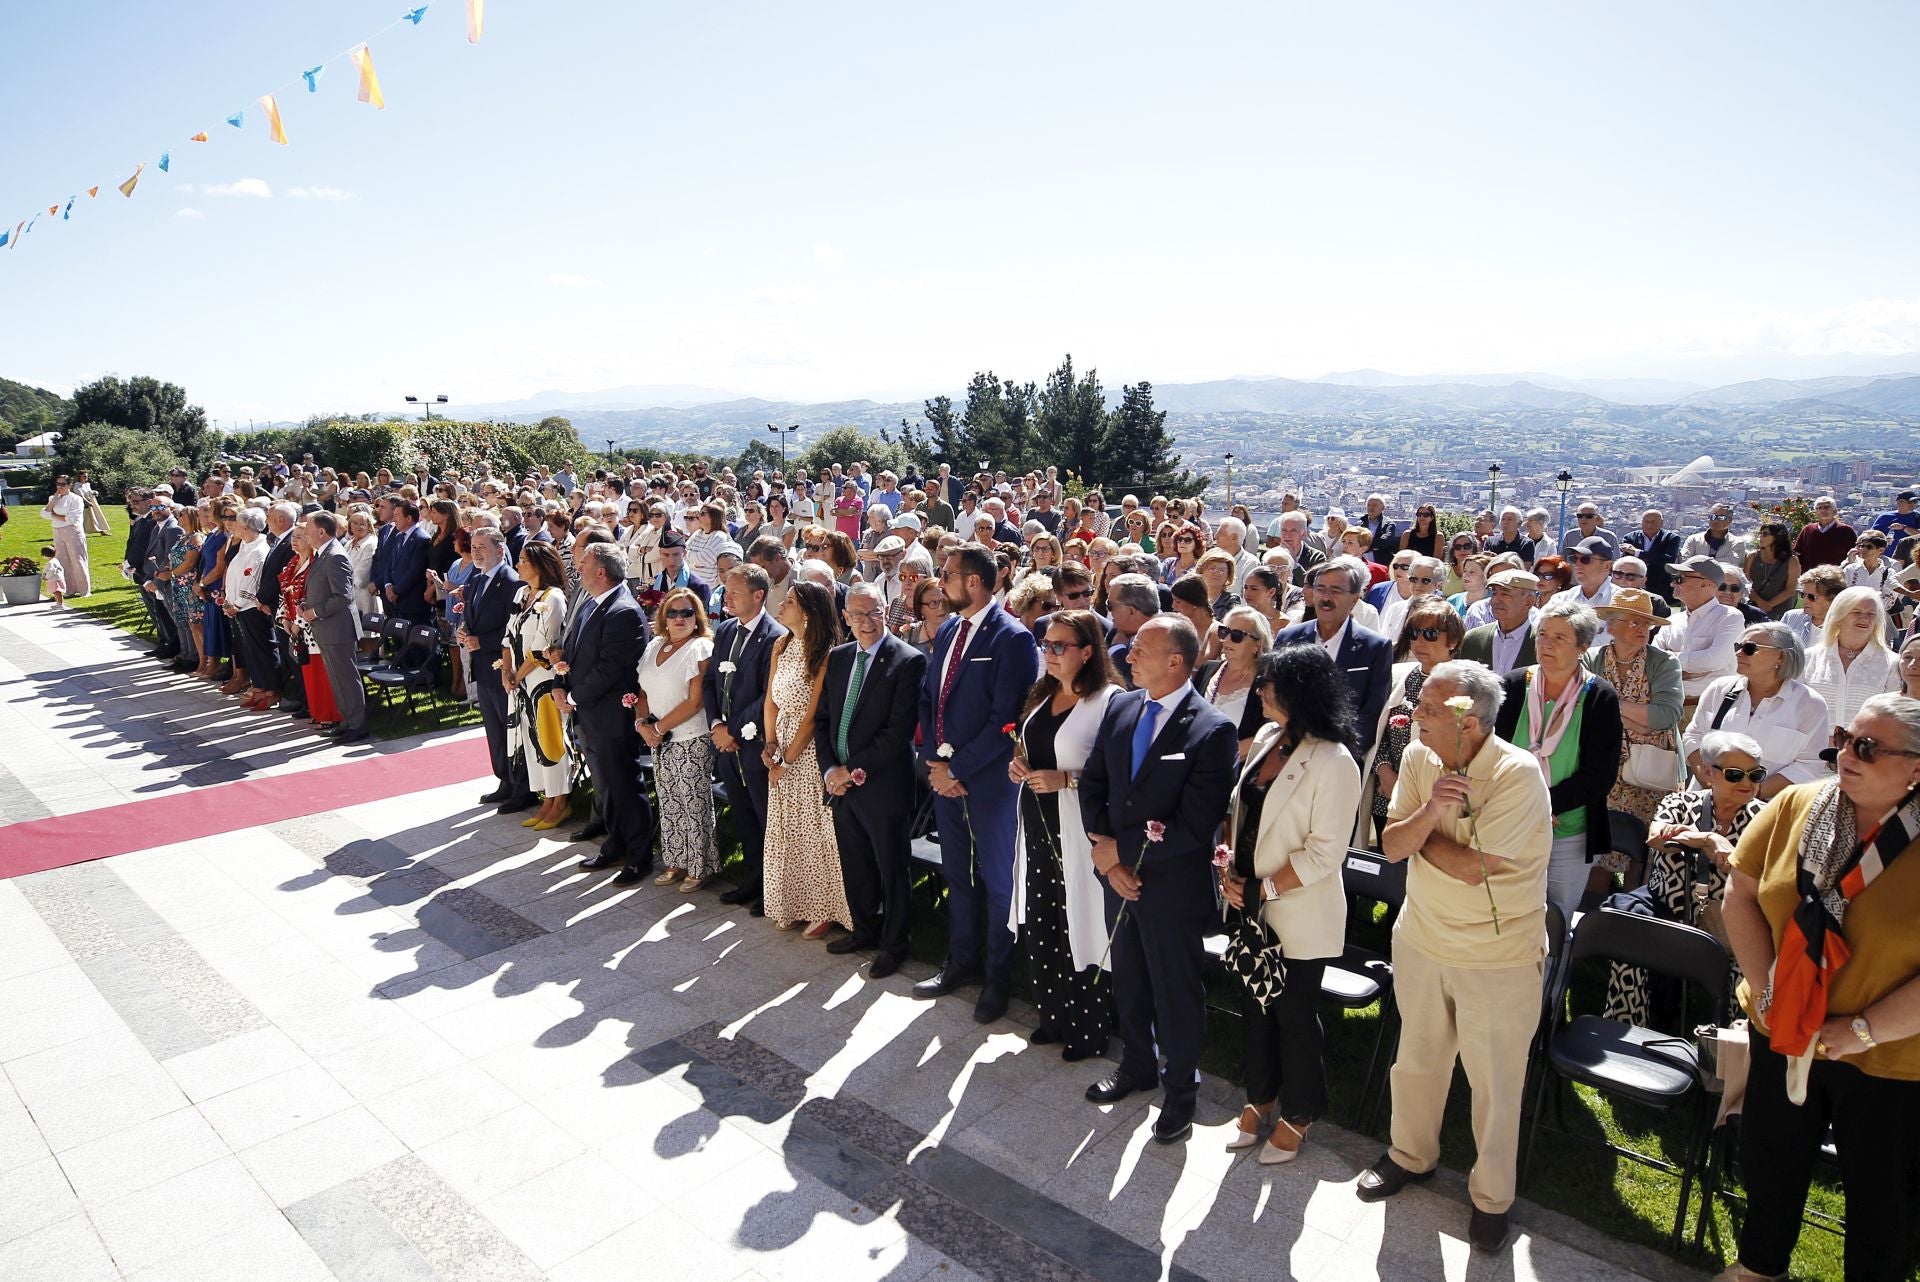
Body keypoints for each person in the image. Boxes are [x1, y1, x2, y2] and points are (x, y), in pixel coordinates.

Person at [1716, 693, 1920, 1282]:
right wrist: (1769, 993)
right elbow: (1742, 895)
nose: (1844, 754)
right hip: (1783, 1031)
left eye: (1868, 747)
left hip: (1890, 1060)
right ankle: (1758, 1269)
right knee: (1770, 1163)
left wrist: (1860, 1031)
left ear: (1916, 770)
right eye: (1844, 737)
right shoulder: (1799, 804)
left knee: (1885, 1205)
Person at [1359, 661, 1553, 1254]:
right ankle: (1409, 1155)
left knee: (1495, 1084)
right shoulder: (1420, 757)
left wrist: (1421, 839)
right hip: (1421, 938)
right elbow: (1392, 845)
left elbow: (1474, 870)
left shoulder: (1519, 776)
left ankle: (1492, 1199)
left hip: (1496, 958)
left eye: (1430, 708)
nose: (1414, 713)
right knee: (1415, 1059)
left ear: (1468, 722)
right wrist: (1426, 814)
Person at [1079, 615, 1239, 1144]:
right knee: (1127, 974)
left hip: (1169, 886)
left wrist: (1120, 854)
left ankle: (1180, 1095)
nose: (1128, 656)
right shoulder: (1124, 705)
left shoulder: (1210, 729)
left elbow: (1196, 824)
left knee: (1175, 991)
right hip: (1116, 875)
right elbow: (1096, 782)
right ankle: (1136, 1066)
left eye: (1141, 649)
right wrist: (1106, 857)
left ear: (1176, 661)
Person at [1219, 645, 1362, 1164]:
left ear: (1300, 692)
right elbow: (1241, 809)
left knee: (1294, 1015)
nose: (1258, 691)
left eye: (1269, 684)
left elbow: (1325, 854)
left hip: (1298, 913)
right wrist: (1228, 868)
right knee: (1255, 1007)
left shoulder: (1335, 760)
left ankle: (1300, 1112)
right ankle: (1260, 1098)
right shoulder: (1265, 737)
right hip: (1249, 905)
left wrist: (1262, 890)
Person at [916, 543, 1043, 1024]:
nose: (940, 583)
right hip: (944, 777)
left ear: (973, 581)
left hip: (988, 785)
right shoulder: (949, 629)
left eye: (947, 575)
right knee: (958, 874)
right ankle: (960, 962)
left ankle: (997, 978)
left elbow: (1006, 720)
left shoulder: (1012, 638)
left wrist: (958, 769)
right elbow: (931, 697)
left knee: (996, 882)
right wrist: (935, 763)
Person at [1005, 610, 1122, 1060]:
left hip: (1078, 830)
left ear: (1087, 652)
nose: (1049, 654)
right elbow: (1030, 746)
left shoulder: (1108, 701)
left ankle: (1089, 1028)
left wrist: (1066, 780)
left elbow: (1115, 769)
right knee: (1044, 921)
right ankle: (1051, 1016)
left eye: (1060, 646)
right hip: (1038, 823)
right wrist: (1020, 764)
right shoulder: (1044, 694)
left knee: (1082, 925)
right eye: (1046, 645)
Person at [1601, 729, 1767, 1027]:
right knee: (1630, 938)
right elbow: (1656, 838)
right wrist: (1709, 839)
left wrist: (1686, 837)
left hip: (1729, 918)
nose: (1746, 783)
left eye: (1755, 775)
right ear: (1708, 772)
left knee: (1751, 963)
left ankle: (1730, 1049)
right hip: (1667, 907)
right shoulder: (1680, 803)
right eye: (1734, 774)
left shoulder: (1766, 818)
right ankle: (1625, 1030)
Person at [816, 582, 928, 975]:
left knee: (891, 867)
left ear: (886, 610)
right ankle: (865, 928)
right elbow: (825, 720)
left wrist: (851, 770)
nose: (867, 621)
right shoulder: (840, 656)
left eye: (874, 611)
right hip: (841, 785)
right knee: (856, 862)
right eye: (859, 614)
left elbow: (897, 734)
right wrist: (831, 770)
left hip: (882, 785)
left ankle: (895, 944)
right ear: (845, 617)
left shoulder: (907, 661)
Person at [1492, 600, 1622, 917]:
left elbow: (1599, 776)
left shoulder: (1599, 697)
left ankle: (1551, 970)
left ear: (1584, 646)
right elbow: (1491, 753)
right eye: (1542, 635)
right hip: (1510, 821)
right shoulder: (1513, 685)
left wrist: (1544, 806)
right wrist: (1525, 808)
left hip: (1567, 831)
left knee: (1556, 919)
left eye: (1559, 638)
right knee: (1502, 911)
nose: (1546, 644)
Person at [760, 580, 853, 939]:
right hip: (781, 739)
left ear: (809, 613)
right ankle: (794, 900)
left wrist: (787, 761)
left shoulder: (827, 653)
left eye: (789, 601)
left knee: (814, 828)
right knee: (787, 828)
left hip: (809, 749)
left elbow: (814, 716)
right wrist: (770, 745)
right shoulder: (781, 645)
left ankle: (825, 906)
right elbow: (770, 699)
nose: (780, 606)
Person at [557, 542, 652, 884]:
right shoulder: (592, 605)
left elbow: (610, 669)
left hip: (611, 717)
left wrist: (573, 697)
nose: (577, 568)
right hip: (589, 713)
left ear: (601, 572)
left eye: (583, 563)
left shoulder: (623, 611)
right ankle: (616, 843)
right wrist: (559, 682)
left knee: (624, 785)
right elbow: (571, 651)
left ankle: (640, 856)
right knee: (605, 786)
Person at [706, 563, 787, 913]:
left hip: (754, 744)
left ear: (758, 595)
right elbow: (711, 681)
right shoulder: (724, 630)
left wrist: (733, 730)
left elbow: (769, 695)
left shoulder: (776, 637)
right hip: (726, 743)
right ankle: (752, 879)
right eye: (725, 591)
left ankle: (774, 888)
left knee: (765, 817)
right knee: (742, 814)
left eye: (734, 592)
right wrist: (715, 726)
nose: (727, 598)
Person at [1681, 623, 1830, 797]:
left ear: (1780, 657)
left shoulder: (1810, 704)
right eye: (1738, 646)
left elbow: (1809, 763)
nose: (1739, 653)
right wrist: (1710, 785)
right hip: (1706, 805)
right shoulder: (1719, 689)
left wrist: (1751, 794)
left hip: (1767, 811)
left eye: (1750, 648)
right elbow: (1693, 736)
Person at [1361, 595, 1463, 844]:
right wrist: (1385, 772)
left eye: (1430, 634)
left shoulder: (1467, 683)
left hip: (1437, 799)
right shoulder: (1397, 676)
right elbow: (1378, 731)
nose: (1419, 642)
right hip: (1387, 794)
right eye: (1414, 633)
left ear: (1453, 641)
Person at [637, 586, 720, 891]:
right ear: (664, 616)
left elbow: (695, 701)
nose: (679, 618)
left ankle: (701, 866)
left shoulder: (700, 647)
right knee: (669, 800)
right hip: (658, 736)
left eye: (687, 612)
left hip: (690, 736)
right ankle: (675, 860)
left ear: (696, 617)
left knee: (693, 802)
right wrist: (643, 723)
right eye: (673, 612)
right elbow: (642, 692)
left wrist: (657, 729)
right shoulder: (654, 644)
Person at [1586, 588, 1685, 832]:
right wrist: (1639, 721)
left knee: (1647, 844)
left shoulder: (1664, 662)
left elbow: (1666, 716)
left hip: (1654, 769)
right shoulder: (1590, 660)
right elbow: (1583, 711)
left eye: (1647, 623)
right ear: (1611, 627)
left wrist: (1610, 706)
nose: (1642, 629)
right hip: (1602, 764)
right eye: (1634, 622)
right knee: (1601, 847)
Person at [1274, 557, 1394, 759]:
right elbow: (1273, 695)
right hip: (1287, 752)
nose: (1326, 597)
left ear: (1354, 599)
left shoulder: (1375, 647)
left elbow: (1371, 713)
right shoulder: (1289, 637)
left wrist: (1337, 756)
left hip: (1339, 759)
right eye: (1320, 589)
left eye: (1336, 591)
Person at [504, 542, 574, 830]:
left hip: (542, 681)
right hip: (520, 680)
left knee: (550, 739)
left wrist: (517, 675)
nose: (518, 564)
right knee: (532, 740)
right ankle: (546, 797)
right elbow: (508, 637)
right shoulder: (522, 594)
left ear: (540, 565)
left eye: (523, 560)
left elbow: (542, 647)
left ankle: (561, 801)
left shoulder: (553, 598)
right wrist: (505, 671)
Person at [459, 527, 529, 804]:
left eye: (482, 547)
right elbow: (472, 616)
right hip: (483, 666)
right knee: (494, 729)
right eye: (473, 546)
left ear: (500, 551)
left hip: (502, 666)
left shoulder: (512, 582)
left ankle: (520, 786)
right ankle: (504, 780)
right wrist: (465, 631)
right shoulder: (476, 579)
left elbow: (512, 628)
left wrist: (482, 642)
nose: (476, 551)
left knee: (510, 728)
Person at [299, 512, 371, 744]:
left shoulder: (334, 556)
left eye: (309, 529)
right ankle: (347, 721)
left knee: (346, 678)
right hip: (327, 628)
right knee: (337, 678)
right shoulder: (324, 554)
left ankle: (357, 725)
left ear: (321, 531)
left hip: (337, 628)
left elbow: (342, 596)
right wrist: (306, 605)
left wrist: (315, 612)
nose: (306, 534)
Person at [1803, 586, 1903, 735]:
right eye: (1856, 612)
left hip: (1865, 752)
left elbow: (1893, 716)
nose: (1865, 618)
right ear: (1839, 616)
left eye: (1871, 614)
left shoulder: (1893, 663)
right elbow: (1797, 708)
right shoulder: (1809, 658)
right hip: (1812, 753)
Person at [1657, 556, 1744, 700]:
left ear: (1705, 584)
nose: (1673, 583)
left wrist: (1669, 662)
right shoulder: (1672, 621)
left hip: (1709, 705)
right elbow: (1652, 661)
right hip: (1668, 701)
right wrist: (1688, 669)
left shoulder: (1730, 617)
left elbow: (1714, 660)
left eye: (1680, 579)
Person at [1197, 605, 1271, 757]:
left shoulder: (1267, 682)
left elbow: (1268, 735)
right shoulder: (1207, 670)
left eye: (1237, 635)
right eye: (1224, 632)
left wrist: (1220, 757)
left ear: (1257, 645)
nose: (1228, 640)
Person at [1458, 568, 1540, 676]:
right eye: (1494, 593)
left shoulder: (1541, 645)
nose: (1496, 600)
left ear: (1528, 602)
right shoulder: (1473, 640)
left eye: (1505, 594)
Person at [41, 474, 92, 599]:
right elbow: (44, 513)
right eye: (58, 484)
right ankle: (69, 589)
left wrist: (53, 515)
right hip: (57, 530)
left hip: (73, 531)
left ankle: (84, 590)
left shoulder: (75, 499)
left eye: (63, 484)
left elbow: (71, 518)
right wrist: (54, 501)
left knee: (77, 559)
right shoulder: (53, 498)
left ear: (69, 485)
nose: (60, 487)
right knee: (62, 560)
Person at [1744, 520, 1801, 619]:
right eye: (1760, 534)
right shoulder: (1752, 557)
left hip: (1781, 610)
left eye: (1765, 534)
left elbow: (1790, 590)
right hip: (1754, 608)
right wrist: (1760, 603)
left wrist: (1769, 605)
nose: (1760, 537)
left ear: (1777, 537)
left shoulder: (1792, 561)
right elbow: (1745, 583)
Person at [1781, 563, 1844, 650]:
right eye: (1803, 594)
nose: (1805, 600)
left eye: (1812, 597)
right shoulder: (1791, 617)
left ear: (1831, 599)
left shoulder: (1844, 626)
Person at [1790, 494, 1856, 571]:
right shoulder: (1807, 530)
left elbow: (1854, 555)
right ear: (1815, 512)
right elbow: (1797, 553)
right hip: (1809, 578)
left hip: (1835, 578)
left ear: (1835, 511)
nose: (1822, 510)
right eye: (1819, 508)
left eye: (1826, 507)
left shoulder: (1846, 531)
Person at [1682, 502, 1748, 570]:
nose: (1715, 521)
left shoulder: (1737, 543)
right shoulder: (1693, 540)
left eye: (1721, 517)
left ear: (1730, 520)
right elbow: (1684, 561)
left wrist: (1698, 563)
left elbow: (1731, 565)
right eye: (1713, 517)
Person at [74, 470, 111, 537]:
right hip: (83, 504)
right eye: (84, 476)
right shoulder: (77, 486)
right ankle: (79, 533)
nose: (86, 477)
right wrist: (87, 503)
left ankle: (102, 531)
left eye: (87, 476)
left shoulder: (87, 484)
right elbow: (80, 496)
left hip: (92, 502)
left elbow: (89, 492)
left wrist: (94, 492)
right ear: (80, 477)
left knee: (97, 516)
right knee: (83, 519)